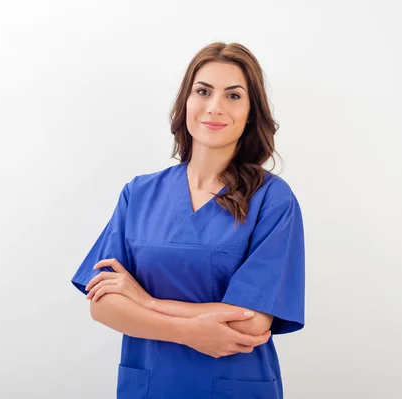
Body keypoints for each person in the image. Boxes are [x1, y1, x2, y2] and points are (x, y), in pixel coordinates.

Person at [71, 42, 305, 399]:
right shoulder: (140, 193)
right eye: (203, 91)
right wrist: (191, 331)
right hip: (150, 386)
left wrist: (147, 303)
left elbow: (252, 321)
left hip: (233, 387)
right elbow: (102, 302)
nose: (215, 107)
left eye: (233, 96)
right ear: (186, 102)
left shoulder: (272, 199)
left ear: (250, 113)